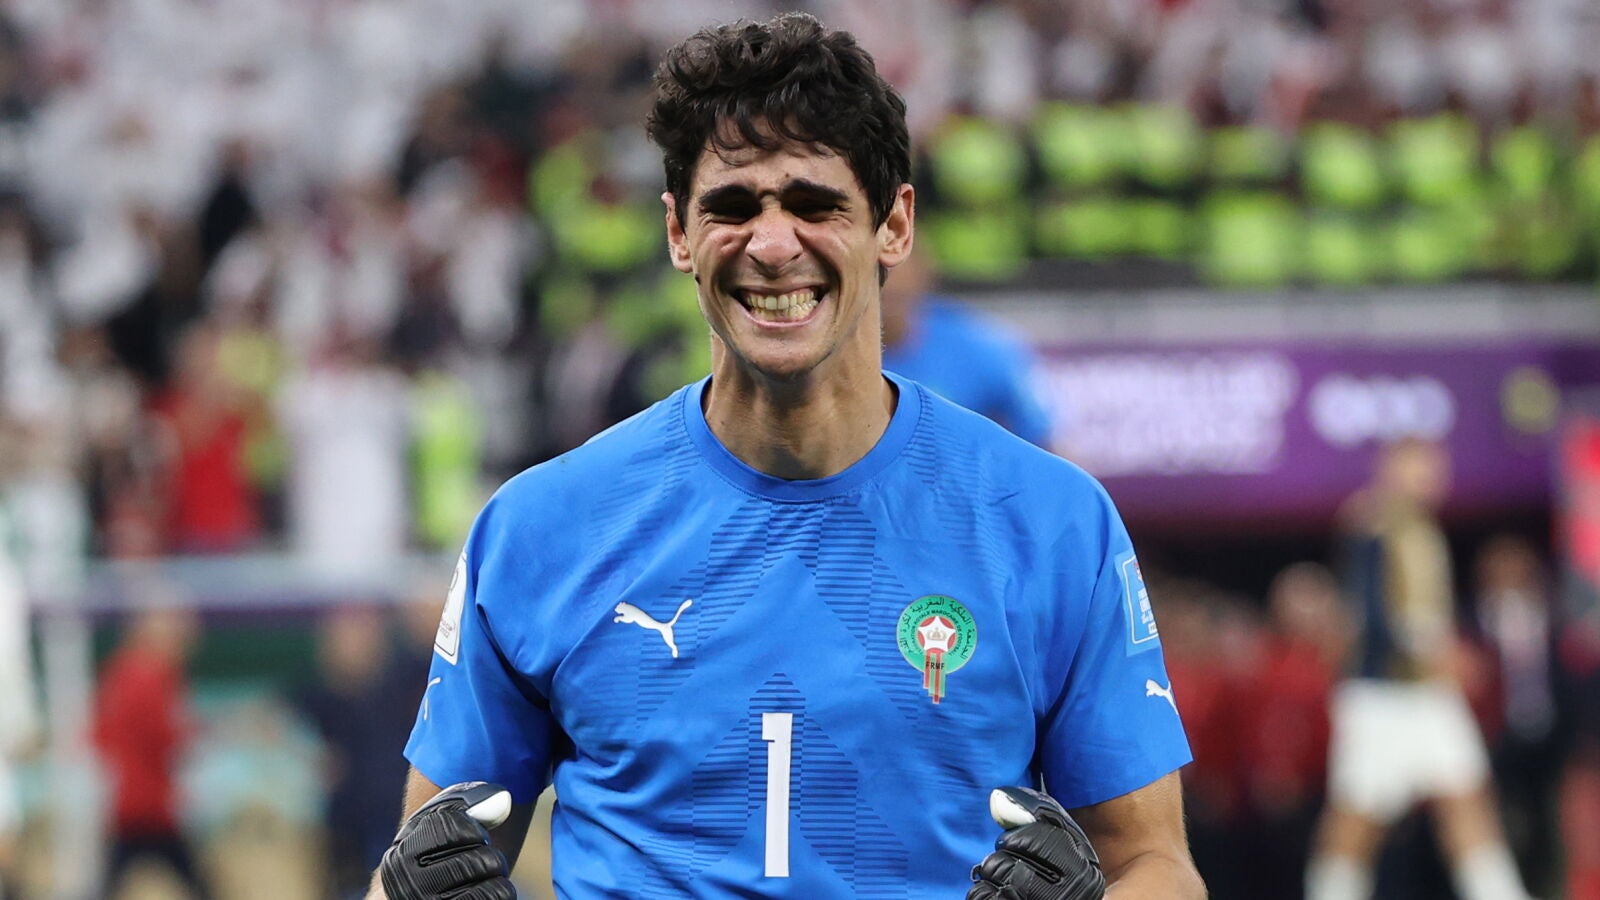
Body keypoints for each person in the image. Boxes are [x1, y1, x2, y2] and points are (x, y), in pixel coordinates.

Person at [373, 14, 1201, 900]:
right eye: (732, 208)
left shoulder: (1050, 522)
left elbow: (1156, 867)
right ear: (679, 233)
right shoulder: (542, 527)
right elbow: (418, 871)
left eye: (814, 204)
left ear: (894, 224)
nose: (772, 245)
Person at [1306, 437, 1534, 900]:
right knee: (1357, 815)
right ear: (1390, 468)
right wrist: (1438, 651)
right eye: (1418, 466)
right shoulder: (1374, 524)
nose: (1431, 477)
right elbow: (1378, 614)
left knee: (1466, 796)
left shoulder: (1414, 526)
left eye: (1435, 468)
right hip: (1380, 694)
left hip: (1427, 694)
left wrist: (1438, 654)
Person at [880, 245, 1056, 447]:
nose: (885, 284)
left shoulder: (981, 347)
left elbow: (1041, 439)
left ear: (922, 274)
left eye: (893, 271)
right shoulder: (847, 359)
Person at [92, 606, 211, 899]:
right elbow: (163, 737)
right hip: (147, 804)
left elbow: (99, 733)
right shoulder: (147, 676)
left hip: (131, 800)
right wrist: (195, 731)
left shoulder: (122, 673)